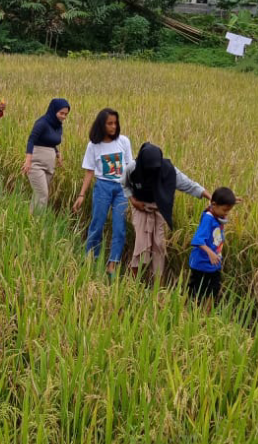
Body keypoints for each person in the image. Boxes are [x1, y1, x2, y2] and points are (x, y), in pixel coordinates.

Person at [122, 142, 211, 282]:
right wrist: (133, 201)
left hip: (159, 208)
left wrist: (210, 197)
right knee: (142, 243)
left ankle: (156, 284)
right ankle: (132, 283)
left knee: (159, 245)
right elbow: (124, 184)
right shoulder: (132, 168)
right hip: (140, 206)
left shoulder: (167, 170)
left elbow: (189, 185)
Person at [72, 108, 132, 274]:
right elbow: (89, 171)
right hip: (102, 187)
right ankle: (91, 258)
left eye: (115, 123)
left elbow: (129, 167)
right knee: (97, 224)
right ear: (101, 125)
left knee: (119, 227)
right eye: (109, 123)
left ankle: (113, 263)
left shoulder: (124, 141)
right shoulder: (93, 146)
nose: (113, 127)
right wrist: (82, 195)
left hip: (121, 188)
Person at [187, 187, 237, 307]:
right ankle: (190, 315)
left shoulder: (216, 213)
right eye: (225, 210)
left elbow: (220, 206)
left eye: (228, 211)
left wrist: (232, 201)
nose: (226, 214)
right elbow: (198, 240)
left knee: (213, 291)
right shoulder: (208, 219)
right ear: (214, 205)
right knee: (197, 293)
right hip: (201, 264)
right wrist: (210, 253)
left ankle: (206, 316)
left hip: (213, 265)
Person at [21, 98, 70, 213]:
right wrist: (28, 161)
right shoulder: (42, 123)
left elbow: (49, 141)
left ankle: (30, 220)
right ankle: (37, 223)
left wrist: (57, 153)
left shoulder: (58, 125)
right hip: (36, 164)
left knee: (38, 195)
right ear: (54, 111)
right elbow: (31, 140)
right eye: (61, 113)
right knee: (42, 195)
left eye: (66, 114)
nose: (63, 116)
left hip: (49, 165)